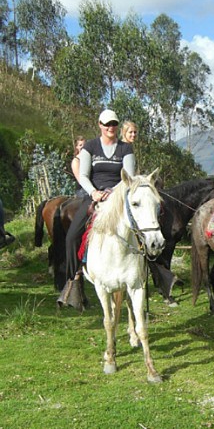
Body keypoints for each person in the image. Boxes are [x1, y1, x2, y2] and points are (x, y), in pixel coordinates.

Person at [57, 109, 135, 311]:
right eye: (107, 124)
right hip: (94, 196)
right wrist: (93, 192)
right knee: (72, 237)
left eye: (114, 124)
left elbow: (129, 176)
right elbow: (83, 175)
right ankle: (73, 281)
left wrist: (113, 192)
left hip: (119, 196)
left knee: (146, 228)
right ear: (100, 125)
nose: (111, 127)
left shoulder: (125, 148)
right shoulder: (90, 146)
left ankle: (157, 274)